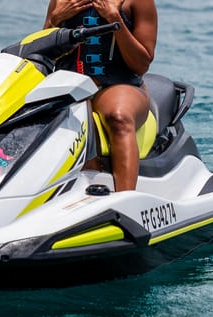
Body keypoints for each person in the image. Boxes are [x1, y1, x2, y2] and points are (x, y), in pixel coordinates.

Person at [44, 0, 157, 191]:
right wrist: (55, 19)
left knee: (118, 117)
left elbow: (141, 65)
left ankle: (125, 200)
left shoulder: (137, 2)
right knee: (70, 116)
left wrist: (114, 19)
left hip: (118, 84)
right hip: (71, 82)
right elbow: (42, 51)